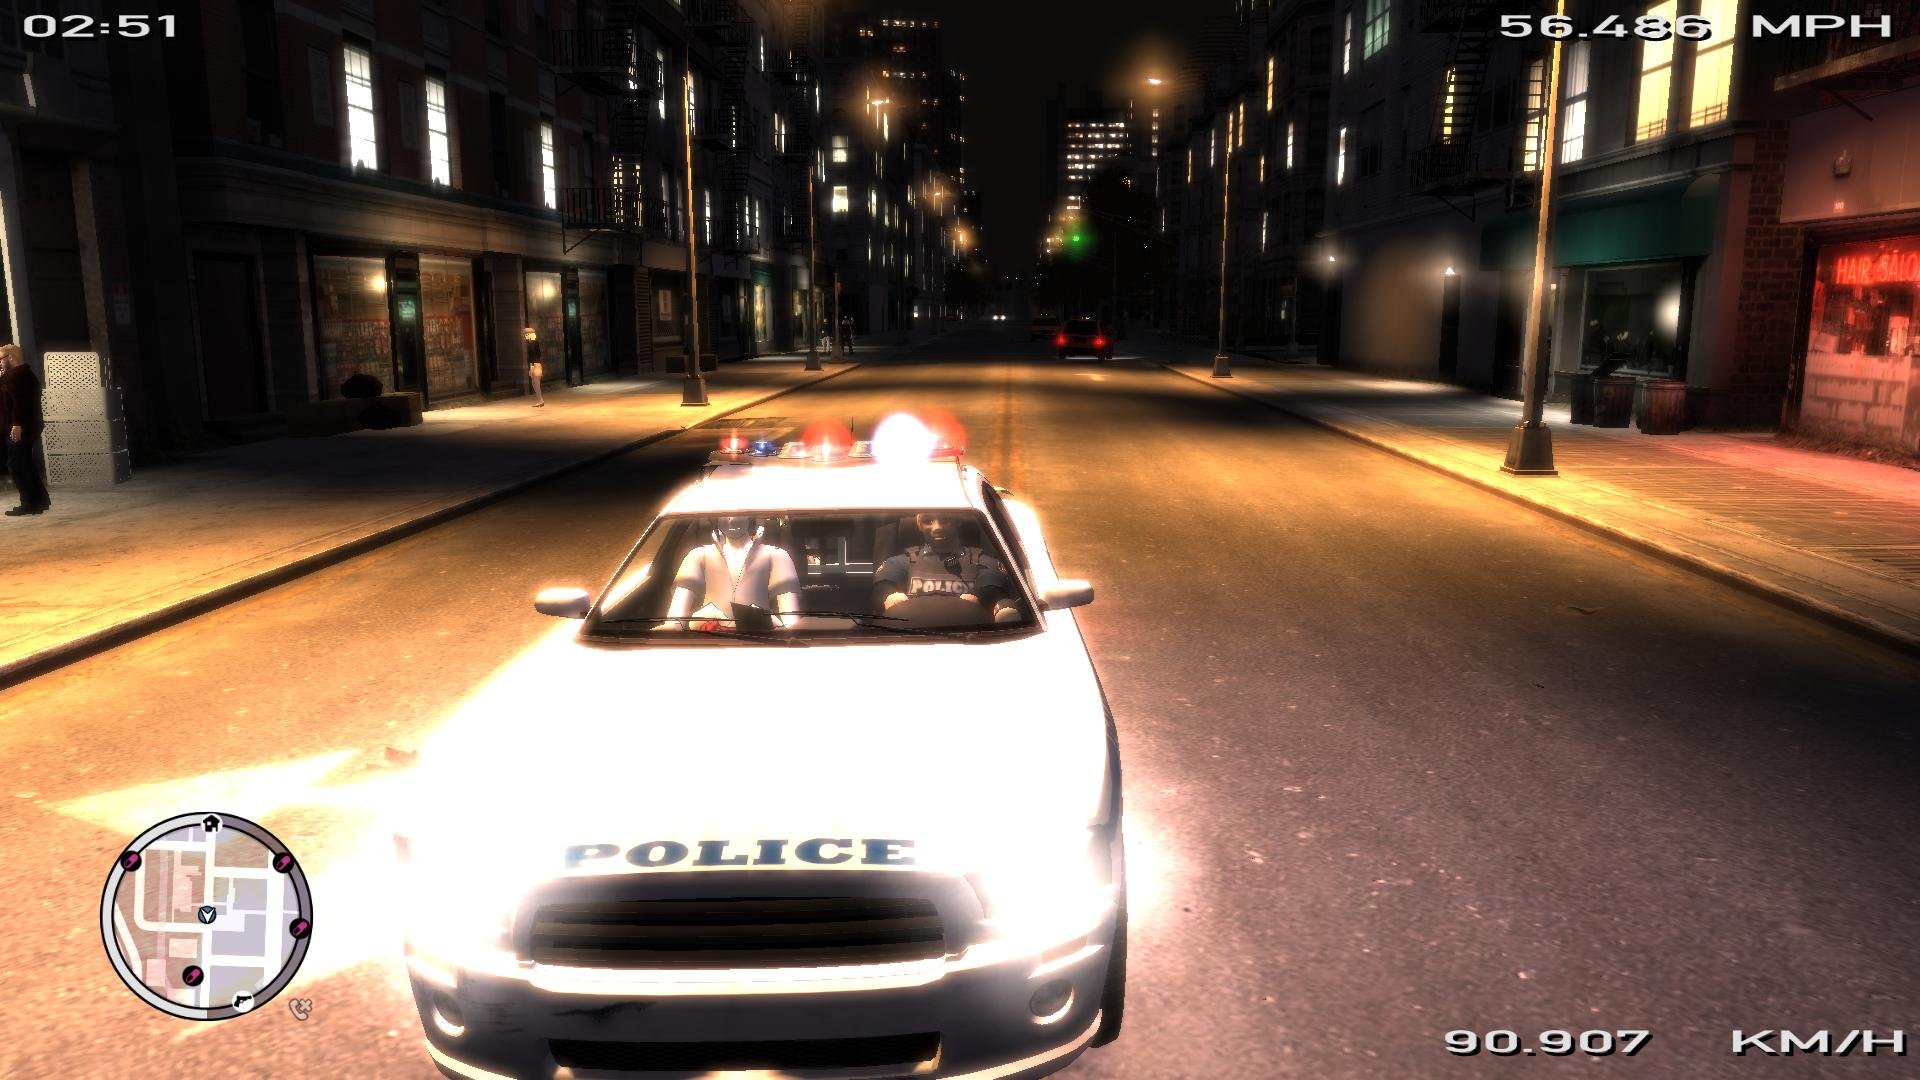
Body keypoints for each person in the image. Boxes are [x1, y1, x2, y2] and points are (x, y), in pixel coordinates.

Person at [873, 512, 1021, 621]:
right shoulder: (901, 561)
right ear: (919, 524)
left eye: (945, 520)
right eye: (928, 521)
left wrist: (979, 596)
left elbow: (992, 584)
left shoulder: (982, 560)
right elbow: (884, 585)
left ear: (957, 521)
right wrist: (889, 595)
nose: (937, 527)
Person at [664, 515, 801, 629]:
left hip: (761, 641)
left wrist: (764, 620)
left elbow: (791, 622)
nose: (731, 520)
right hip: (708, 640)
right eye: (725, 514)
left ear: (751, 517)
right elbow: (675, 620)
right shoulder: (698, 555)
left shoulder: (777, 556)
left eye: (739, 514)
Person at [0, 343, 50, 517]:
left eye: (1, 359)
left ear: (10, 358)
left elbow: (20, 403)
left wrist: (16, 424)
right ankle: (39, 501)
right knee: (25, 463)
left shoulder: (17, 377)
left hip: (20, 428)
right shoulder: (22, 374)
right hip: (25, 426)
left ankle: (29, 503)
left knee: (17, 464)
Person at [524, 326, 546, 407]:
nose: (525, 336)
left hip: (535, 364)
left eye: (526, 334)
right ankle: (540, 400)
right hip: (534, 364)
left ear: (530, 334)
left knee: (536, 383)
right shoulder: (532, 343)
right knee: (534, 383)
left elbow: (535, 355)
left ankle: (540, 401)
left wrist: (532, 366)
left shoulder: (533, 343)